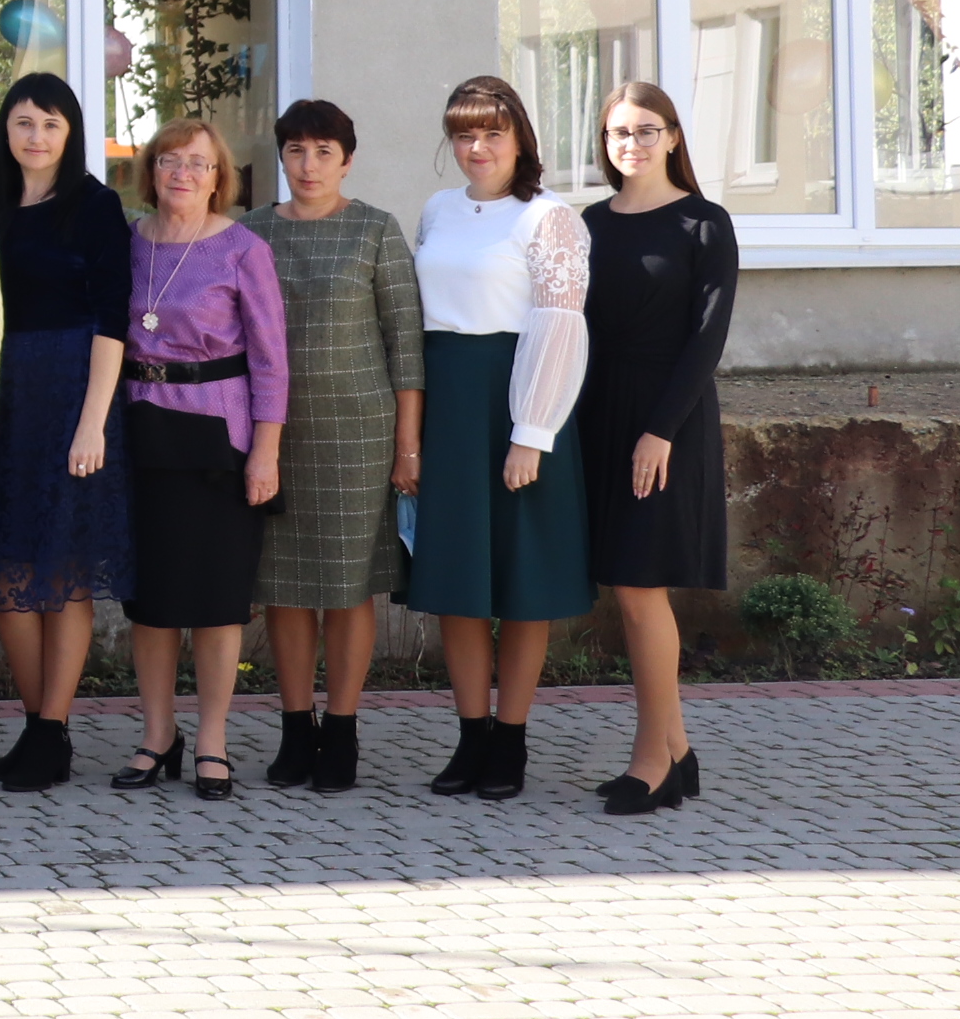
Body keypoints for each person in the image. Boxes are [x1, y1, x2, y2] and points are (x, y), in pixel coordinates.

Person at [406, 74, 594, 804]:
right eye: (464, 134)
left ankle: (510, 739)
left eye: (492, 133)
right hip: (448, 401)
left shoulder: (549, 219)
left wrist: (531, 432)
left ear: (520, 140)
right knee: (457, 582)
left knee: (521, 584)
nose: (477, 147)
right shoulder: (437, 209)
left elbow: (559, 325)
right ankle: (471, 735)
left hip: (519, 399)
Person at [0, 72, 130, 795]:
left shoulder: (96, 206)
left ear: (71, 134)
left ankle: (53, 726)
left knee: (61, 569)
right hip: (0, 399)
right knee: (6, 568)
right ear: (6, 130)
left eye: (51, 124)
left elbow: (114, 320)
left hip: (71, 395)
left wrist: (93, 421)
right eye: (24, 123)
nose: (36, 137)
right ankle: (38, 729)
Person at [114, 120, 290, 802]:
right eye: (169, 161)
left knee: (217, 603)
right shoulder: (130, 243)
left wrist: (265, 453)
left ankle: (212, 740)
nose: (182, 174)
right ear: (151, 171)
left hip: (220, 440)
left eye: (198, 163)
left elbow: (271, 361)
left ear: (219, 177)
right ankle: (157, 736)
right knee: (152, 602)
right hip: (143, 436)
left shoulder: (243, 249)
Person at [255, 97, 425, 796]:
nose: (309, 164)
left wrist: (408, 447)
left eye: (324, 152)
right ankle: (297, 729)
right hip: (274, 434)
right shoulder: (252, 231)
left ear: (347, 161)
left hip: (359, 433)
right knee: (286, 586)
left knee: (349, 586)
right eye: (296, 150)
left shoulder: (375, 230)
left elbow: (406, 344)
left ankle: (344, 728)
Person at [581, 80, 734, 814]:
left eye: (646, 130)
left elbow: (707, 339)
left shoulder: (705, 223)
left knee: (642, 586)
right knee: (624, 583)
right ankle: (677, 748)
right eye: (619, 132)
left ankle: (652, 762)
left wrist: (660, 430)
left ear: (673, 137)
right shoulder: (589, 223)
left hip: (668, 420)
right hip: (597, 414)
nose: (632, 143)